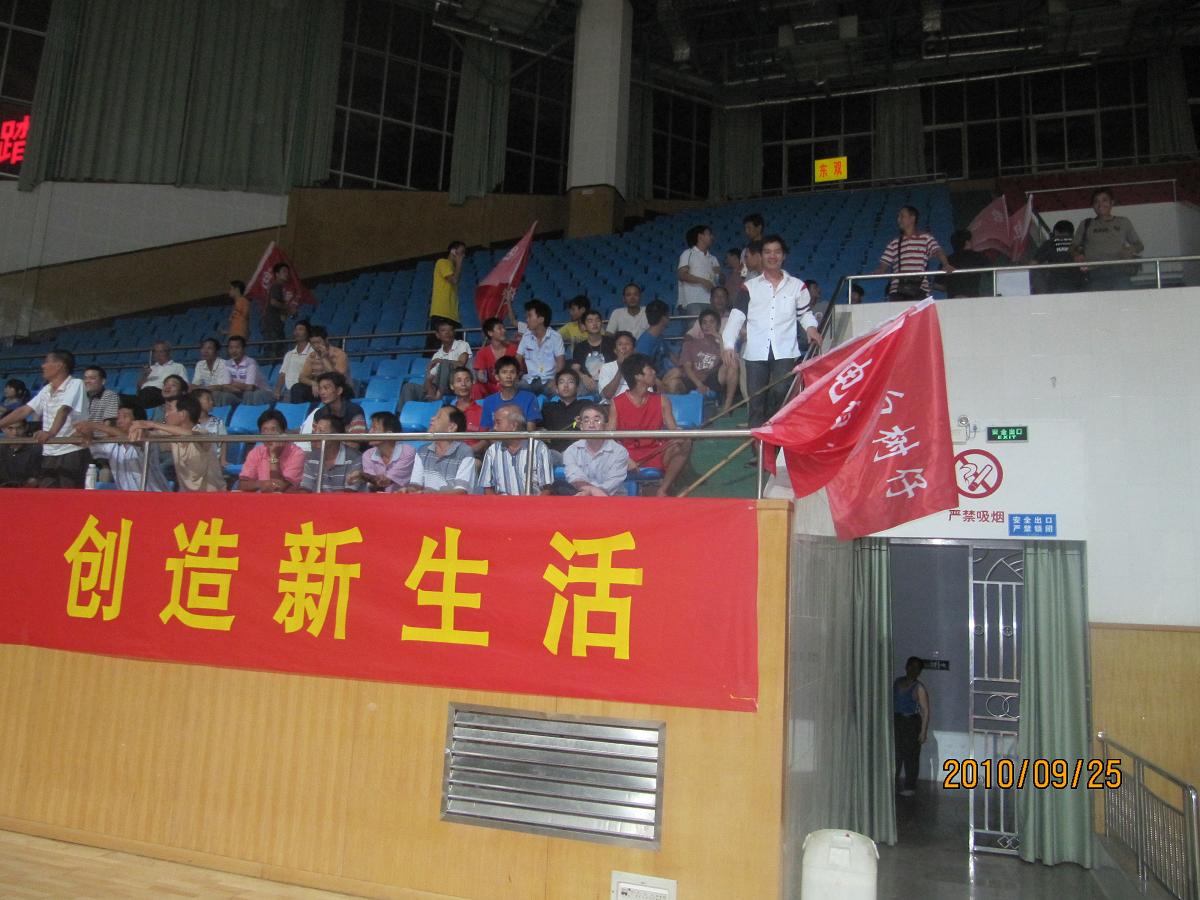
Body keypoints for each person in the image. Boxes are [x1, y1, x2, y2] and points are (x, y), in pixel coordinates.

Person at [723, 235, 822, 429]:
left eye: (777, 252)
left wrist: (811, 327)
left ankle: (773, 437)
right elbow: (736, 316)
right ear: (761, 256)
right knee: (756, 401)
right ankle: (758, 444)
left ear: (784, 256)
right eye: (767, 252)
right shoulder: (749, 287)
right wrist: (728, 344)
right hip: (755, 352)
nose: (772, 256)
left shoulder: (797, 286)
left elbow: (805, 313)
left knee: (781, 391)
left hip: (785, 350)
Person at [0, 350, 89, 488]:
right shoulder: (47, 389)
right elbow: (25, 410)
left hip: (71, 450)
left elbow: (64, 409)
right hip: (49, 451)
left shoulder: (76, 384)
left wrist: (51, 432)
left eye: (47, 362)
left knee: (69, 496)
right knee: (47, 493)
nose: (43, 366)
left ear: (59, 365)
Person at [608, 353, 690, 497]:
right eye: (650, 369)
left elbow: (674, 430)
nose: (654, 372)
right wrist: (625, 458)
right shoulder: (617, 403)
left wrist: (682, 434)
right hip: (627, 455)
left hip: (656, 452)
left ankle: (663, 489)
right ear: (638, 376)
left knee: (685, 443)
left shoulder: (662, 400)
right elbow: (609, 438)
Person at [129, 394, 225, 492]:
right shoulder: (171, 435)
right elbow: (149, 435)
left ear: (182, 414)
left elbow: (189, 434)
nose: (166, 414)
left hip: (212, 495)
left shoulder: (203, 432)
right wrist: (140, 430)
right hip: (186, 496)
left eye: (169, 410)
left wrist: (153, 424)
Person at [74, 401, 169, 492]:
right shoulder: (112, 445)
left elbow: (130, 439)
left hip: (156, 496)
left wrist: (94, 425)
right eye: (118, 417)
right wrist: (83, 433)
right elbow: (80, 444)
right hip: (129, 500)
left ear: (137, 422)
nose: (119, 420)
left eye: (125, 416)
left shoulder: (147, 437)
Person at [872, 206, 954, 301]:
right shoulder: (894, 242)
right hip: (897, 290)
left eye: (902, 216)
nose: (898, 219)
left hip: (920, 289)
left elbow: (938, 251)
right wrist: (879, 270)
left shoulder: (925, 238)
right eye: (898, 217)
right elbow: (884, 264)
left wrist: (946, 265)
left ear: (912, 218)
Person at [1071, 187, 1144, 292]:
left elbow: (1139, 245)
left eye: (1104, 200)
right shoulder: (1086, 224)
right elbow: (1073, 247)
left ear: (1112, 203)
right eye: (1096, 201)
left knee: (1127, 299)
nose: (1100, 204)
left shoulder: (1123, 222)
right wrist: (1077, 255)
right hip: (1094, 273)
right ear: (1093, 206)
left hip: (1119, 271)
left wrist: (1131, 249)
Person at [478, 405, 553, 496]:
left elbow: (546, 489)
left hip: (532, 502)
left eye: (498, 423)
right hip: (502, 503)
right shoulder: (492, 450)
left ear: (514, 425)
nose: (495, 428)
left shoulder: (539, 448)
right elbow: (487, 488)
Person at [562, 403, 630, 496]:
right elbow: (574, 477)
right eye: (586, 421)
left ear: (605, 425)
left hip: (613, 500)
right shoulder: (571, 450)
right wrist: (591, 491)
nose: (591, 425)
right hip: (584, 498)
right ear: (581, 426)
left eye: (597, 420)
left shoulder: (619, 451)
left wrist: (590, 491)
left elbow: (612, 483)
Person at [400, 320, 471, 408]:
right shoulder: (437, 355)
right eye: (443, 330)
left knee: (444, 364)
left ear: (454, 333)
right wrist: (430, 390)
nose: (447, 333)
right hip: (435, 388)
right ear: (437, 335)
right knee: (409, 387)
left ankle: (438, 396)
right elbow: (430, 378)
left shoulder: (462, 345)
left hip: (455, 385)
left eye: (450, 330)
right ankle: (404, 414)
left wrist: (442, 361)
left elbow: (461, 364)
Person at [407, 406, 476, 494]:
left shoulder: (465, 452)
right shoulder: (422, 451)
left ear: (451, 427)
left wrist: (432, 494)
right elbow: (416, 484)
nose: (432, 418)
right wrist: (409, 490)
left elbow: (461, 492)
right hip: (426, 501)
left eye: (438, 417)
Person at [682, 308, 738, 413]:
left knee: (732, 362)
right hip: (693, 379)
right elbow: (687, 368)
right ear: (700, 326)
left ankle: (727, 406)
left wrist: (720, 338)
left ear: (718, 325)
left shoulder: (720, 345)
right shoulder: (689, 344)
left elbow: (726, 359)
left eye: (712, 322)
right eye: (704, 322)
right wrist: (699, 384)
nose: (708, 325)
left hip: (711, 378)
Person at [236, 409, 304, 492]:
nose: (269, 435)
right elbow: (242, 484)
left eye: (273, 430)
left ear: (283, 432)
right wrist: (261, 484)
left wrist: (273, 455)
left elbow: (277, 488)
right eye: (265, 430)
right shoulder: (256, 452)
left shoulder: (297, 453)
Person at [298, 411, 362, 493]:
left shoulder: (354, 458)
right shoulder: (311, 457)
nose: (315, 435)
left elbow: (350, 492)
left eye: (321, 431)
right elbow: (305, 489)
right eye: (315, 430)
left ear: (336, 435)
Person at [894, 656, 931, 797]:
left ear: (920, 671)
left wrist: (923, 731)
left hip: (911, 722)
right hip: (897, 720)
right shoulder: (897, 682)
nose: (913, 670)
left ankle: (910, 786)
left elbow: (925, 710)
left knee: (911, 755)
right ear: (906, 667)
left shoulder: (919, 688)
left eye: (917, 668)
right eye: (911, 666)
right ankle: (894, 782)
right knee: (896, 755)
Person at [299, 372, 366, 444]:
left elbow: (355, 444)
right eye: (320, 388)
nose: (322, 392)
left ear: (339, 391)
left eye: (326, 388)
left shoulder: (354, 411)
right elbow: (315, 443)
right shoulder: (319, 414)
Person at [634, 299, 685, 394]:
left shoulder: (658, 336)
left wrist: (683, 368)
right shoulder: (645, 342)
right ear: (663, 318)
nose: (669, 318)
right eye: (668, 315)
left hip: (662, 376)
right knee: (675, 385)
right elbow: (642, 370)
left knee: (678, 373)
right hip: (650, 380)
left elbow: (670, 354)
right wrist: (662, 386)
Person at [517, 299, 565, 396]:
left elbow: (561, 363)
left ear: (541, 319)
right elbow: (518, 359)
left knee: (559, 391)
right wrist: (516, 376)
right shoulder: (526, 336)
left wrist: (555, 380)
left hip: (549, 381)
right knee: (511, 388)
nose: (527, 320)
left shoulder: (555, 337)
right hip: (529, 381)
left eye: (530, 316)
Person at [479, 356, 540, 430]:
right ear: (497, 376)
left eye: (512, 372)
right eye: (504, 372)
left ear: (517, 376)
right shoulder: (489, 401)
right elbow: (487, 431)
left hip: (522, 437)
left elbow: (530, 432)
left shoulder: (529, 398)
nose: (508, 376)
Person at [360, 411, 416, 492]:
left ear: (389, 434)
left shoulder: (407, 452)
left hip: (404, 498)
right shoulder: (367, 455)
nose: (369, 432)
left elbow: (385, 482)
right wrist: (366, 478)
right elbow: (374, 486)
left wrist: (360, 475)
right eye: (370, 428)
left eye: (374, 428)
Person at [539, 369, 588, 458]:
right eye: (561, 382)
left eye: (570, 382)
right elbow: (537, 428)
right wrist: (542, 432)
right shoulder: (548, 407)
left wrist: (583, 425)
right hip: (554, 453)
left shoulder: (586, 406)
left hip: (579, 453)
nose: (565, 386)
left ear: (577, 388)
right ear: (557, 389)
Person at [677, 224, 720, 316]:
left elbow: (719, 280)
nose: (712, 237)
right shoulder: (688, 253)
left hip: (711, 301)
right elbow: (682, 275)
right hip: (693, 301)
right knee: (695, 325)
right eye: (709, 234)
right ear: (700, 236)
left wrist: (720, 274)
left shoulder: (713, 258)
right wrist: (703, 281)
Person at [296, 326, 351, 398]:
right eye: (313, 343)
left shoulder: (339, 354)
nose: (316, 346)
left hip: (340, 389)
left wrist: (324, 358)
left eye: (318, 342)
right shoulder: (312, 356)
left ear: (326, 340)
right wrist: (314, 383)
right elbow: (302, 377)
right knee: (297, 388)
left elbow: (337, 378)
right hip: (321, 387)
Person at [571, 309, 616, 394]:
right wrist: (583, 376)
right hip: (587, 384)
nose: (595, 323)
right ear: (583, 326)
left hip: (609, 382)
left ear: (601, 324)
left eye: (597, 320)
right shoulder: (580, 347)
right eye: (590, 321)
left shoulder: (612, 343)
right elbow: (575, 368)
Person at [472, 316, 519, 399]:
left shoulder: (514, 349)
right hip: (491, 387)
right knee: (476, 387)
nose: (504, 330)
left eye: (503, 328)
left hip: (510, 384)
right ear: (490, 333)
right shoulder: (482, 353)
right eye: (500, 329)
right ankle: (477, 407)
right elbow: (480, 374)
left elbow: (521, 371)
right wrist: (481, 376)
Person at [219, 335, 274, 406]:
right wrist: (239, 389)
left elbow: (250, 387)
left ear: (244, 349)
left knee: (248, 394)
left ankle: (249, 412)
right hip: (240, 394)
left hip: (261, 392)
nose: (234, 351)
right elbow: (225, 386)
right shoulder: (227, 363)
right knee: (224, 396)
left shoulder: (251, 362)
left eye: (237, 347)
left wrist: (233, 384)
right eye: (231, 348)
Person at [1034, 220, 1084, 294]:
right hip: (1077, 283)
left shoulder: (1049, 243)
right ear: (1072, 232)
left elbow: (1033, 263)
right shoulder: (1078, 243)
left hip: (1055, 284)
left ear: (1056, 232)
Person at [940, 229, 992, 298]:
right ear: (967, 242)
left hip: (953, 299)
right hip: (973, 298)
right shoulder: (979, 257)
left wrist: (951, 289)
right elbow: (991, 273)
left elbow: (937, 285)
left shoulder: (947, 261)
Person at [430, 240, 467, 336]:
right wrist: (459, 263)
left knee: (458, 343)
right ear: (453, 251)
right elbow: (454, 280)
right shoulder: (442, 263)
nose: (463, 255)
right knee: (438, 344)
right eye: (462, 252)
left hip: (453, 315)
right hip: (442, 313)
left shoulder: (454, 269)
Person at [136, 340, 188, 408]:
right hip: (144, 394)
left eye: (161, 351)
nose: (158, 354)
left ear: (168, 352)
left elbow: (184, 386)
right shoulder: (150, 368)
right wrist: (145, 376)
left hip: (162, 393)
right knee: (122, 399)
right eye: (155, 352)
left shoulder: (178, 367)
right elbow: (139, 387)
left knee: (145, 394)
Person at [446, 366, 485, 452]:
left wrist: (467, 453)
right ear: (452, 386)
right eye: (459, 380)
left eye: (467, 380)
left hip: (473, 455)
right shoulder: (446, 413)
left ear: (472, 384)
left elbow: (485, 440)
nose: (463, 384)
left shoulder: (482, 412)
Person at [276, 320, 313, 402]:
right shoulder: (289, 354)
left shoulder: (313, 352)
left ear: (308, 332)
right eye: (296, 329)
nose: (297, 332)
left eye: (301, 329)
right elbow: (282, 375)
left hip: (304, 390)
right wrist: (277, 391)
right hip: (288, 390)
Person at [192, 388, 228, 467]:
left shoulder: (218, 422)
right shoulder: (189, 423)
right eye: (208, 399)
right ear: (196, 402)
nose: (212, 402)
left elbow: (223, 442)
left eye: (212, 399)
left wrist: (223, 460)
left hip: (213, 460)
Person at [0, 419, 41, 487]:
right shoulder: (1, 449)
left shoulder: (36, 449)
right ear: (3, 429)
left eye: (19, 428)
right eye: (10, 428)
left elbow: (37, 477)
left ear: (25, 428)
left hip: (28, 490)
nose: (15, 433)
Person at [262, 262, 291, 355]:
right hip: (272, 324)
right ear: (277, 274)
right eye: (284, 271)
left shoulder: (278, 287)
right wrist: (288, 308)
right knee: (274, 350)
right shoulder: (276, 286)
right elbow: (273, 302)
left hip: (275, 324)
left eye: (288, 272)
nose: (287, 274)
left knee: (277, 349)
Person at [598, 331, 636, 401]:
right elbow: (608, 394)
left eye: (627, 344)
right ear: (615, 350)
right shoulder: (607, 367)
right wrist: (621, 368)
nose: (624, 347)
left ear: (634, 350)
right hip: (611, 404)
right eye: (620, 344)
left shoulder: (641, 367)